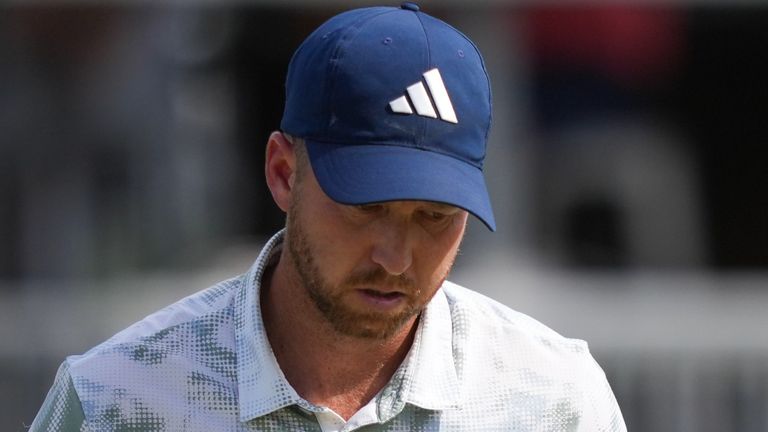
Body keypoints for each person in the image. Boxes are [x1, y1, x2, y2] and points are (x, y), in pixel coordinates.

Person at [30, 3, 626, 431]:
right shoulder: (111, 401)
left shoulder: (557, 403)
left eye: (436, 215)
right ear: (282, 173)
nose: (396, 257)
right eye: (365, 207)